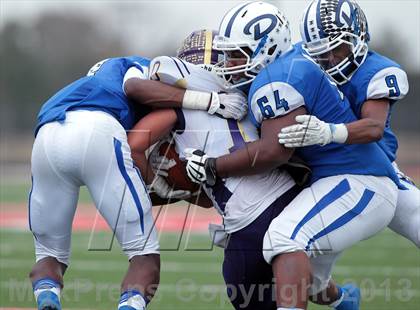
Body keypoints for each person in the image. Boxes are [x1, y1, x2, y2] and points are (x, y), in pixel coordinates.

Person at [184, 1, 402, 309]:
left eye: (238, 53)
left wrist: (213, 166)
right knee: (308, 279)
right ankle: (345, 303)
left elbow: (274, 152)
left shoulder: (277, 78)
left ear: (267, 48)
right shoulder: (288, 65)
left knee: (283, 238)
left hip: (360, 180)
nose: (229, 63)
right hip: (338, 179)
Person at [29, 53, 247, 310]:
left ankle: (47, 296)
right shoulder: (134, 66)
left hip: (46, 136)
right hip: (98, 129)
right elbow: (135, 88)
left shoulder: (86, 87)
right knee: (144, 258)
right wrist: (210, 100)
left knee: (49, 256)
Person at [128, 29, 301, 310]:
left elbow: (133, 144)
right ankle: (340, 297)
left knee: (246, 294)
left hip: (248, 216)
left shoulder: (178, 107)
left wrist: (159, 184)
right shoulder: (245, 95)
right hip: (291, 197)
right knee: (301, 280)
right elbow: (209, 196)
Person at [278, 0, 419, 248]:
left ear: (359, 37)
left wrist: (327, 131)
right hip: (316, 168)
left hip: (371, 166)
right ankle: (340, 291)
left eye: (339, 49)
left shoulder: (378, 71)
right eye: (322, 53)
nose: (331, 60)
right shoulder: (298, 60)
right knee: (308, 268)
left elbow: (373, 127)